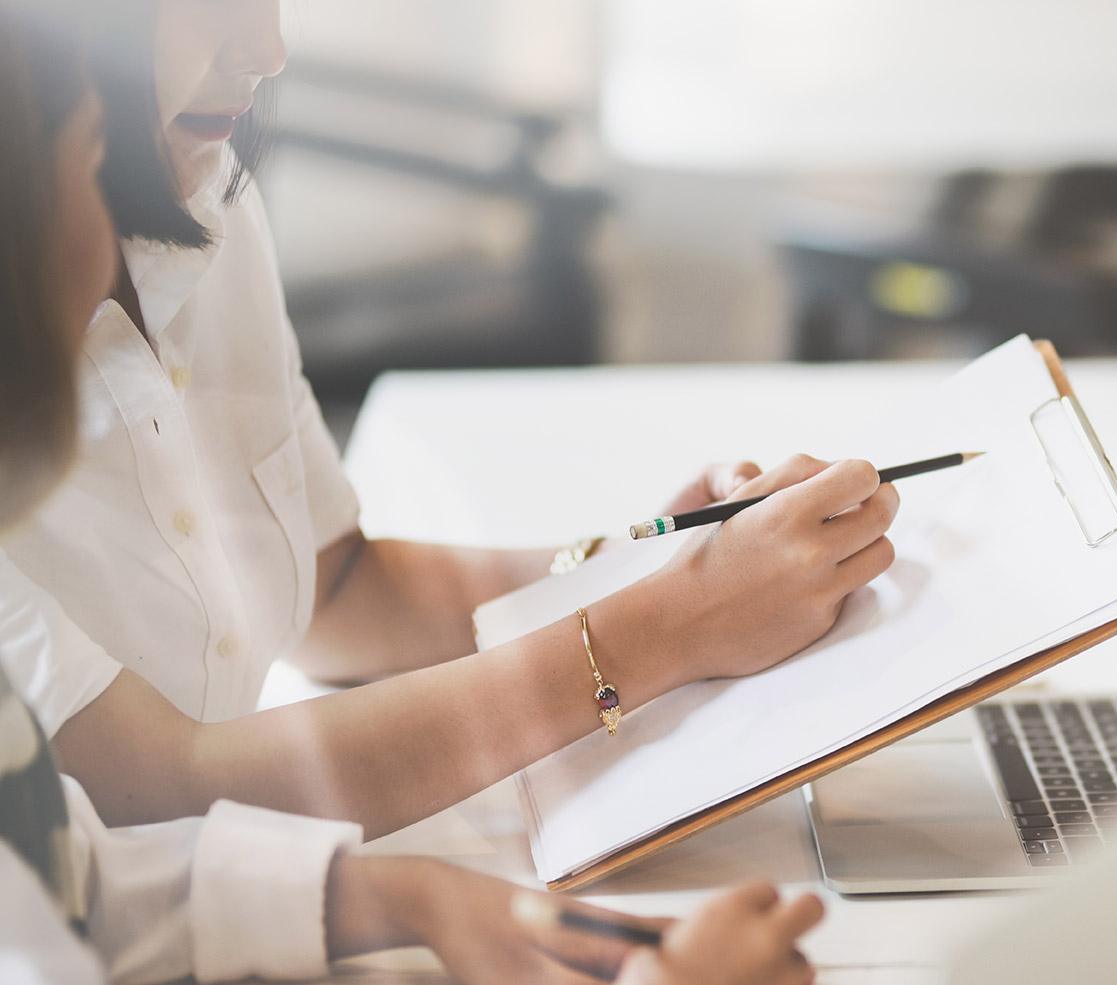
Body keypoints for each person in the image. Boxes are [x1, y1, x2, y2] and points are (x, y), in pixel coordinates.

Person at [0, 3, 823, 983]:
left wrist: (648, 558)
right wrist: (663, 627)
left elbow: (334, 586)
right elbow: (156, 795)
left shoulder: (198, 195)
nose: (269, 52)